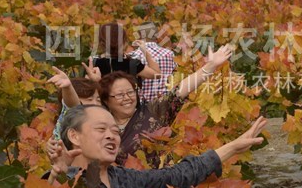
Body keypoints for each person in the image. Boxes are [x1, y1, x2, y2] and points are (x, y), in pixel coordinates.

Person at [47, 104, 266, 188]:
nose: (111, 136)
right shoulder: (61, 179)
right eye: (101, 129)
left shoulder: (126, 179)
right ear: (74, 135)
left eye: (115, 131)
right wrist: (60, 177)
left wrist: (232, 148)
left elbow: (179, 175)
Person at [99, 44, 233, 167]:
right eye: (120, 95)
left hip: (164, 185)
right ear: (106, 100)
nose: (127, 98)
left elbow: (181, 90)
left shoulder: (152, 111)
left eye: (130, 92)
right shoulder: (102, 126)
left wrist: (211, 66)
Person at [90, 23, 161, 80]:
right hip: (127, 98)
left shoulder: (94, 62)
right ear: (124, 42)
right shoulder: (131, 63)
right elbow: (157, 74)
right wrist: (145, 52)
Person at [127, 22, 177, 102]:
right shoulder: (170, 54)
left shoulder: (132, 56)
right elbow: (175, 78)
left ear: (139, 36)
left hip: (142, 107)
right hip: (165, 104)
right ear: (157, 35)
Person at [47, 67, 100, 140]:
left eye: (98, 99)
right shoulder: (70, 117)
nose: (95, 103)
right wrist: (68, 87)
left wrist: (97, 81)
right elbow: (74, 106)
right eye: (89, 99)